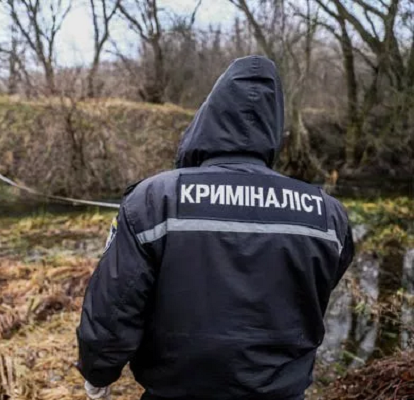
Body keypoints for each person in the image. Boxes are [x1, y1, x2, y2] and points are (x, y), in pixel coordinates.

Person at [76, 56, 354, 400]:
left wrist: (98, 371)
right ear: (274, 126)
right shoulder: (328, 214)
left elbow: (116, 304)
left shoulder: (154, 199)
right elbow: (316, 292)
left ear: (207, 118)